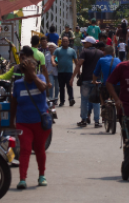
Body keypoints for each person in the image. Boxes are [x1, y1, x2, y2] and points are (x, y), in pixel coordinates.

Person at [10, 57, 50, 189]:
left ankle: (42, 175)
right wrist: (12, 121)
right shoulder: (18, 84)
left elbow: (43, 88)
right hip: (23, 122)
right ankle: (22, 179)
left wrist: (33, 74)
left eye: (32, 68)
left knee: (39, 149)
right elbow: (14, 103)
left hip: (40, 122)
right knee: (25, 149)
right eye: (26, 69)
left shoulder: (40, 79)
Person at [73, 36, 102, 127]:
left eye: (85, 43)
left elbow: (79, 64)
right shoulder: (100, 53)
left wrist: (73, 77)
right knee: (96, 101)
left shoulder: (84, 52)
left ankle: (84, 120)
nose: (83, 44)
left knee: (84, 100)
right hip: (97, 80)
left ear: (90, 43)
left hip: (86, 80)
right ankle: (97, 121)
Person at [54, 37, 78, 107]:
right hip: (60, 72)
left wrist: (78, 71)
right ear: (61, 42)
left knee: (69, 86)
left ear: (68, 42)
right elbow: (53, 56)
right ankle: (62, 101)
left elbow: (76, 61)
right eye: (63, 41)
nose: (65, 42)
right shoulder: (58, 50)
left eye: (66, 41)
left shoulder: (72, 51)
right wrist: (53, 61)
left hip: (69, 72)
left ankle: (71, 99)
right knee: (61, 87)